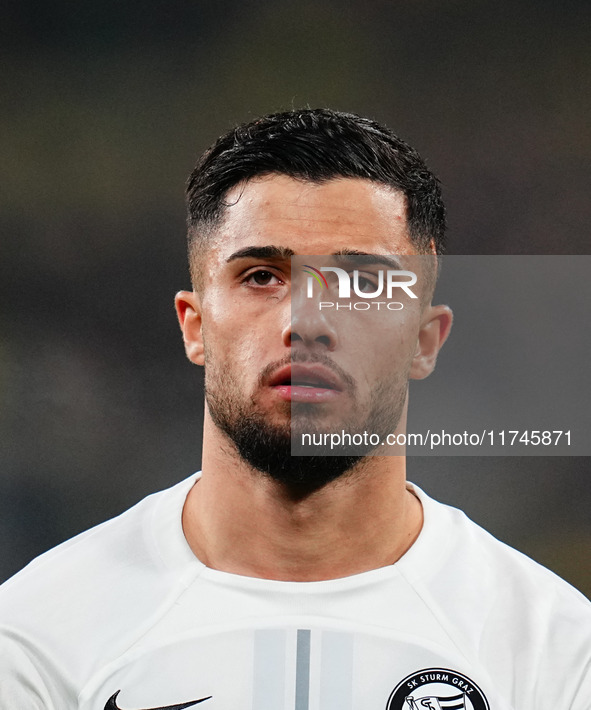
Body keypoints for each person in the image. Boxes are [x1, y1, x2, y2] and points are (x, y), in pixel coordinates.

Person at [0, 109, 589, 710]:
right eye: (261, 276)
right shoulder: (37, 642)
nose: (305, 322)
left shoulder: (557, 653)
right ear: (194, 325)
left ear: (424, 340)